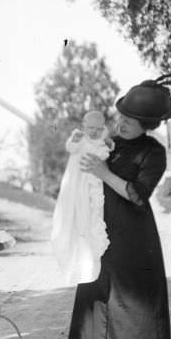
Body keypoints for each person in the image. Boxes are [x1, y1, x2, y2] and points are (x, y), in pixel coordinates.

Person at [62, 75, 171, 339]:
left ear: (148, 124)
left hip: (133, 235)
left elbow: (137, 195)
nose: (122, 125)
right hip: (102, 231)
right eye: (121, 118)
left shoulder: (154, 153)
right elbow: (85, 155)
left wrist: (103, 172)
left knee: (132, 308)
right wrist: (80, 144)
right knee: (98, 296)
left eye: (131, 122)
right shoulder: (112, 142)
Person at [50, 110, 113, 285]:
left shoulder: (101, 142)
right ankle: (78, 264)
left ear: (103, 128)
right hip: (77, 186)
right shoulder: (79, 139)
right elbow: (71, 147)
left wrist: (108, 142)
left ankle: (91, 263)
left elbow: (106, 151)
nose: (93, 132)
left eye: (98, 129)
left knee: (93, 218)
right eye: (90, 128)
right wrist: (75, 139)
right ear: (84, 126)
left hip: (94, 185)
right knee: (76, 219)